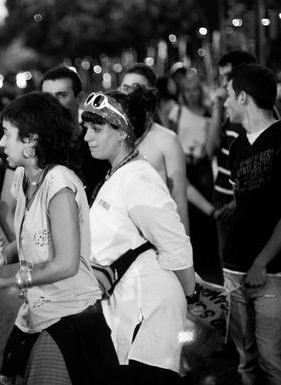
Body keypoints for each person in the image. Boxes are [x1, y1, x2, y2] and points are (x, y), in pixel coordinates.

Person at [0, 92, 119, 384]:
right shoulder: (23, 177)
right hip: (39, 312)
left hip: (68, 315)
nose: (1, 143)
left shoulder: (60, 184)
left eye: (7, 134)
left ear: (31, 141)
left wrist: (9, 280)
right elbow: (37, 240)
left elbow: (66, 263)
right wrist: (2, 255)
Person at [83, 87, 198, 384]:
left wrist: (188, 298)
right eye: (86, 128)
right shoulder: (118, 172)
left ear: (122, 132)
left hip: (151, 314)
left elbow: (177, 247)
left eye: (96, 129)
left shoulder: (139, 178)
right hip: (132, 309)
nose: (87, 137)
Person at [0, 65, 108, 242]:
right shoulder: (28, 153)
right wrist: (23, 254)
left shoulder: (96, 144)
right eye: (48, 97)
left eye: (62, 95)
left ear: (79, 98)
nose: (54, 103)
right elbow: (6, 211)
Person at [222, 63, 281, 385]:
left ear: (243, 97)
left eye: (229, 95)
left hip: (271, 272)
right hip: (234, 269)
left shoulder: (280, 139)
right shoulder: (236, 147)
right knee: (245, 361)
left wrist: (262, 261)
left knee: (273, 362)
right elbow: (246, 197)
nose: (225, 102)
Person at [119, 63, 190, 233]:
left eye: (135, 89)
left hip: (156, 233)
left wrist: (184, 253)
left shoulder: (167, 140)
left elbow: (179, 202)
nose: (127, 95)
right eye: (124, 88)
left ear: (150, 94)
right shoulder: (110, 135)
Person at [205, 50, 256, 267]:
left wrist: (238, 202)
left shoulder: (257, 113)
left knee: (245, 269)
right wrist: (217, 106)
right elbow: (211, 148)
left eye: (227, 77)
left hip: (243, 204)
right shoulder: (229, 111)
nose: (223, 84)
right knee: (229, 272)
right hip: (222, 199)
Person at [168, 74, 219, 274]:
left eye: (194, 89)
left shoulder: (208, 112)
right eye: (187, 90)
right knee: (184, 210)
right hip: (182, 164)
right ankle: (192, 257)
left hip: (203, 164)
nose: (191, 94)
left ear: (200, 91)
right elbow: (170, 136)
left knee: (206, 209)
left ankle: (209, 259)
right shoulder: (177, 111)